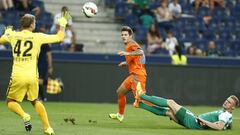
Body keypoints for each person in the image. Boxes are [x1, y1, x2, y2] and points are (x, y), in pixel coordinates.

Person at [0, 12, 69, 135]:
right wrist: (62, 24)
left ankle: (24, 115)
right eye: (34, 22)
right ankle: (48, 128)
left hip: (17, 75)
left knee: (10, 102)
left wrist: (7, 33)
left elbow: (1, 40)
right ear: (31, 25)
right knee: (35, 100)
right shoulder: (38, 37)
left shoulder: (13, 35)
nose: (35, 24)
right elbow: (59, 38)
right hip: (32, 76)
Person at [135, 85, 239, 130]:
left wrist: (203, 121)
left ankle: (141, 95)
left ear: (233, 107)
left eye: (229, 103)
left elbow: (219, 127)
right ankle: (139, 104)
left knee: (171, 102)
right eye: (227, 100)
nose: (226, 102)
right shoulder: (227, 114)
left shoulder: (225, 114)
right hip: (193, 122)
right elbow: (226, 124)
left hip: (193, 120)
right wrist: (229, 127)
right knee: (169, 112)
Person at [109, 26, 147, 122]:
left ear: (130, 36)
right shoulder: (129, 46)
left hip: (138, 76)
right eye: (122, 35)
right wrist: (126, 63)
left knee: (142, 102)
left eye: (125, 35)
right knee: (120, 92)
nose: (123, 36)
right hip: (133, 76)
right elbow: (138, 59)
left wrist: (127, 54)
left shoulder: (131, 44)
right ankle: (120, 115)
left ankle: (166, 109)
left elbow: (141, 52)